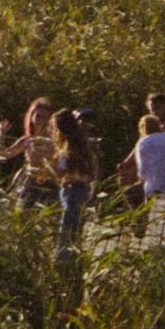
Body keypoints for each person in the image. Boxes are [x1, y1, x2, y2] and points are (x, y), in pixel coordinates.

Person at [0, 96, 58, 210]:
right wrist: (1, 134)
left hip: (49, 181)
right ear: (31, 116)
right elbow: (4, 154)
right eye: (37, 116)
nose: (40, 120)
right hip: (30, 180)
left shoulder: (54, 139)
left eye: (44, 117)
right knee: (22, 212)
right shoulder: (27, 139)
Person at [51, 105, 99, 248]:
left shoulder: (67, 149)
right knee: (76, 231)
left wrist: (48, 164)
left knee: (66, 230)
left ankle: (62, 260)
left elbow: (61, 172)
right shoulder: (83, 146)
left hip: (71, 190)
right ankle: (74, 261)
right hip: (82, 190)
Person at [119, 110, 165, 202]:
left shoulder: (143, 143)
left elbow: (143, 171)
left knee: (129, 192)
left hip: (159, 188)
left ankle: (141, 214)